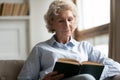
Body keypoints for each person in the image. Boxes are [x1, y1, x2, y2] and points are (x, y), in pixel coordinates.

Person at [17, 0, 120, 80]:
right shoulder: (40, 49)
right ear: (52, 23)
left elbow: (116, 67)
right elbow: (23, 78)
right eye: (61, 21)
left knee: (87, 77)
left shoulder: (85, 47)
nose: (67, 25)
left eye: (70, 20)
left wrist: (96, 74)